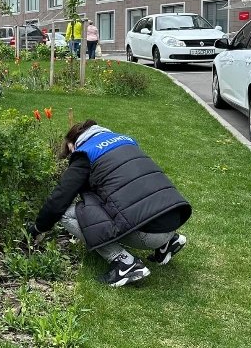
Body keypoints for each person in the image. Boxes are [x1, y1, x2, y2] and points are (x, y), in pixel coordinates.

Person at [29, 120, 192, 287]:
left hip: (149, 235)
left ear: (73, 143)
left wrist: (38, 228)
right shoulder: (125, 140)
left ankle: (125, 264)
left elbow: (59, 200)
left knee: (66, 213)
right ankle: (168, 242)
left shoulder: (85, 154)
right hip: (173, 217)